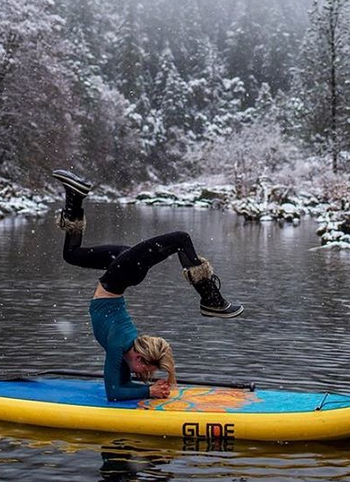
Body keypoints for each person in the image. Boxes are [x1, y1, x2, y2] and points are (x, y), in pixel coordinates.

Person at [52, 169, 243, 403]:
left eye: (147, 376)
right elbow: (114, 392)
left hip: (121, 273)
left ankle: (75, 198)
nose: (144, 377)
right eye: (146, 373)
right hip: (121, 274)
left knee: (72, 254)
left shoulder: (119, 349)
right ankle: (210, 300)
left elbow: (117, 388)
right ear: (140, 358)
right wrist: (149, 392)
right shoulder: (120, 345)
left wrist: (152, 391)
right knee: (180, 239)